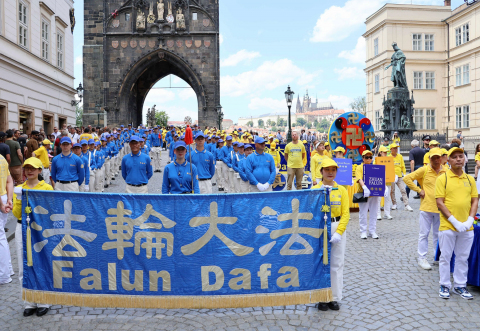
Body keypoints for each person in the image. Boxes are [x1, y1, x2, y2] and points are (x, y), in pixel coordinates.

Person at [436, 147, 478, 300]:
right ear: (448, 160)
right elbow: (440, 203)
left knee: (462, 257)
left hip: (467, 227)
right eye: (454, 157)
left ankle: (460, 285)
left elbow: (475, 200)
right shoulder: (443, 178)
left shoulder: (470, 179)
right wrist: (454, 220)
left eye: (461, 156)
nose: (458, 159)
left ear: (465, 159)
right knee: (446, 257)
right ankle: (445, 285)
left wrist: (469, 220)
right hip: (448, 226)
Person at [12, 157, 52, 316]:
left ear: (40, 170)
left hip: (40, 229)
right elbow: (15, 213)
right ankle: (29, 302)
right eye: (27, 168)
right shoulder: (19, 188)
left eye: (33, 168)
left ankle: (44, 301)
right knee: (23, 266)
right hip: (22, 227)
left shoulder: (47, 188)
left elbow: (52, 209)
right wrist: (20, 199)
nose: (29, 171)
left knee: (40, 263)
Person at [312, 159, 350, 311]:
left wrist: (339, 232)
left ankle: (334, 297)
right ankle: (321, 297)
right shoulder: (314, 190)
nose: (330, 172)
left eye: (333, 170)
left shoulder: (342, 190)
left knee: (336, 263)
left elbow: (346, 214)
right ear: (321, 172)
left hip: (336, 226)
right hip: (319, 228)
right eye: (327, 169)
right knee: (320, 264)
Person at [404, 148, 446, 270]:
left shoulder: (445, 170)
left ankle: (437, 256)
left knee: (439, 234)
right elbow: (407, 178)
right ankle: (422, 258)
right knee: (424, 234)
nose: (437, 160)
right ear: (429, 159)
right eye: (434, 158)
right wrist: (419, 190)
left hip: (441, 207)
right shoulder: (424, 169)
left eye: (438, 157)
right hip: (427, 207)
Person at [356, 150, 380, 239]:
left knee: (374, 212)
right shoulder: (359, 167)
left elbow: (379, 178)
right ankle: (363, 231)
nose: (369, 159)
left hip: (374, 193)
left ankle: (372, 231)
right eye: (366, 157)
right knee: (363, 212)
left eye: (370, 157)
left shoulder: (374, 167)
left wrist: (383, 188)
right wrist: (364, 187)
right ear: (363, 158)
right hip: (363, 193)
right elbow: (359, 178)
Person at [0, 153, 13, 287]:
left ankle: (4, 275)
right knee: (1, 236)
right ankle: (8, 269)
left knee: (0, 237)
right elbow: (9, 181)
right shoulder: (2, 158)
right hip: (4, 196)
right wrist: (9, 199)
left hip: (1, 198)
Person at [389, 143, 413, 211]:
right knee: (392, 191)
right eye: (394, 148)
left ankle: (406, 205)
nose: (396, 149)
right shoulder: (388, 157)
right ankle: (394, 204)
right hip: (391, 176)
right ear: (391, 149)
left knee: (403, 190)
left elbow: (403, 165)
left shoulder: (400, 156)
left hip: (399, 176)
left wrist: (404, 174)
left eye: (396, 148)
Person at [375, 146, 393, 220]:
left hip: (388, 182)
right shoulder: (376, 160)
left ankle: (387, 213)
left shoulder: (389, 160)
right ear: (380, 152)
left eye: (386, 152)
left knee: (387, 198)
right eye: (384, 152)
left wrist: (393, 176)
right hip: (379, 181)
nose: (385, 153)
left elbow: (392, 169)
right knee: (378, 198)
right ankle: (378, 214)